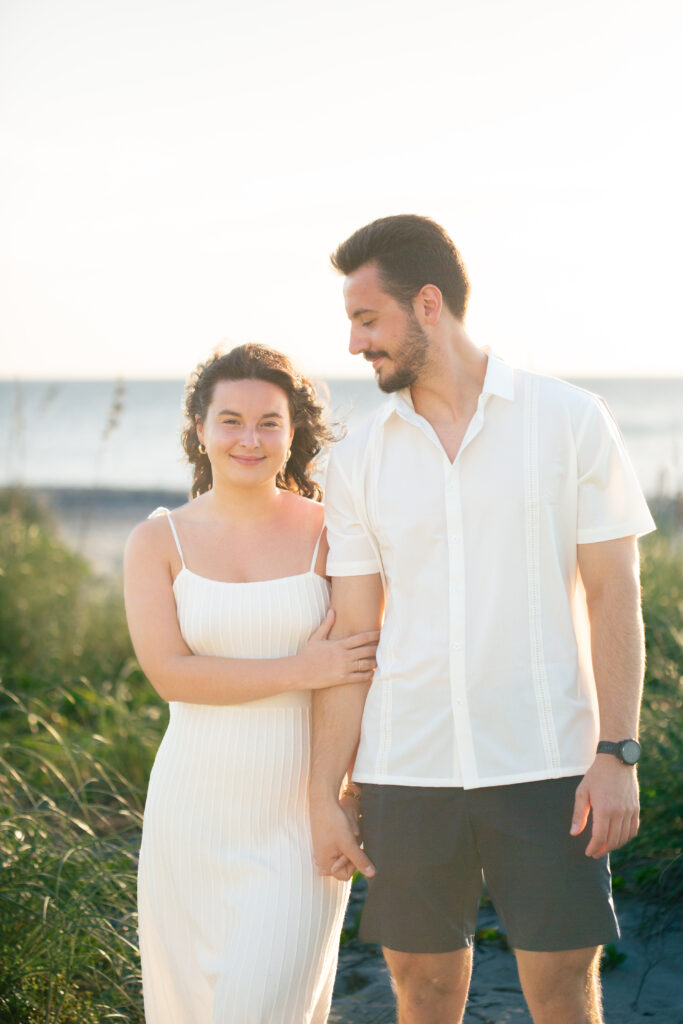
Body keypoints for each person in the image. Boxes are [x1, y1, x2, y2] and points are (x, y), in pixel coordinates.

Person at [310, 215, 656, 1024]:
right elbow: (354, 637)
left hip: (547, 765)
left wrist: (618, 752)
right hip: (406, 768)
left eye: (368, 319)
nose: (357, 344)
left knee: (564, 987)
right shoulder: (355, 459)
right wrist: (328, 788)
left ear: (427, 304)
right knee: (422, 991)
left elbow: (613, 593)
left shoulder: (568, 420)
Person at [123, 343, 379, 1024]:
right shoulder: (158, 542)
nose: (249, 438)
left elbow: (356, 671)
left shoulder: (333, 535)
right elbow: (171, 675)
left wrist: (340, 792)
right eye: (230, 420)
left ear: (293, 435)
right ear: (199, 429)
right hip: (191, 813)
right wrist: (301, 668)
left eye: (270, 422)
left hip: (299, 814)